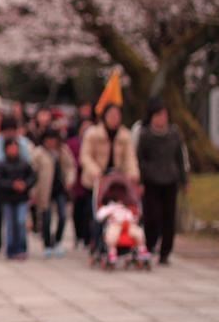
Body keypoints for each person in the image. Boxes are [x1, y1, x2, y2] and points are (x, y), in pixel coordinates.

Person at [137, 99, 188, 265]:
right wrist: (141, 180)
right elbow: (139, 158)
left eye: (164, 115)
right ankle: (150, 245)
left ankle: (166, 251)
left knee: (169, 217)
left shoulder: (174, 134)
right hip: (151, 180)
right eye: (158, 115)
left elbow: (180, 158)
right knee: (152, 216)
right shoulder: (145, 134)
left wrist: (184, 180)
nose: (162, 118)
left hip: (170, 180)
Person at [0, 115, 33, 254]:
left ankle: (18, 245)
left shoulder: (23, 143)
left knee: (18, 219)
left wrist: (26, 185)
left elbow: (28, 166)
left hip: (18, 185)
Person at [31, 128, 76, 257]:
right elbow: (32, 173)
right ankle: (47, 244)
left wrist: (69, 180)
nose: (51, 142)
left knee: (63, 216)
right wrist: (33, 192)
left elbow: (70, 166)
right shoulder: (38, 153)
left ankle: (57, 241)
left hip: (59, 189)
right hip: (44, 190)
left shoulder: (62, 151)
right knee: (46, 218)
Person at [0, 138, 38, 259]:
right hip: (7, 198)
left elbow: (33, 177)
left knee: (20, 222)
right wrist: (12, 184)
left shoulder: (24, 163)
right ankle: (11, 249)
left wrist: (25, 184)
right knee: (10, 225)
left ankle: (21, 248)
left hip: (21, 198)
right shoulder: (1, 164)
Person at [79, 103, 140, 191]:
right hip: (93, 182)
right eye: (111, 115)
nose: (114, 118)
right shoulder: (92, 133)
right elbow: (85, 156)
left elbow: (130, 158)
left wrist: (133, 174)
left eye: (117, 115)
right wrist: (97, 173)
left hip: (117, 182)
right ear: (105, 116)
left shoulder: (125, 135)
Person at [68, 119, 93, 248]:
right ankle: (78, 236)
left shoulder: (94, 142)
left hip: (91, 181)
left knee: (88, 212)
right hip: (77, 182)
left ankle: (88, 238)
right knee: (77, 211)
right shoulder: (72, 143)